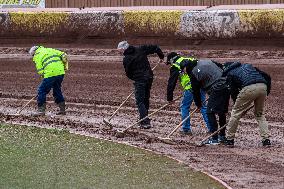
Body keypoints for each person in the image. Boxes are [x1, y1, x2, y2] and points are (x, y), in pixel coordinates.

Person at [222, 61, 271, 147]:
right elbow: (267, 76)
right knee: (260, 114)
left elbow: (233, 92)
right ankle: (266, 140)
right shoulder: (248, 66)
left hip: (248, 88)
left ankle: (229, 140)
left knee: (235, 114)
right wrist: (267, 92)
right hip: (263, 86)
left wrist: (238, 107)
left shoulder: (230, 74)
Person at [117, 41, 164, 129]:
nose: (120, 52)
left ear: (124, 49)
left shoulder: (127, 58)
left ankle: (145, 122)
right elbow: (156, 47)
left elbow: (128, 73)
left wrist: (136, 80)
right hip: (149, 77)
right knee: (145, 99)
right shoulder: (140, 49)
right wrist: (161, 56)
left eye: (120, 51)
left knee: (140, 101)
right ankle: (144, 119)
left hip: (140, 80)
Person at [184, 58, 230, 145]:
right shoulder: (206, 61)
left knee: (210, 112)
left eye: (183, 70)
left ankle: (214, 138)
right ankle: (222, 136)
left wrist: (198, 104)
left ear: (186, 67)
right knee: (221, 112)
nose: (184, 72)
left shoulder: (193, 73)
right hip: (227, 85)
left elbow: (195, 91)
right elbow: (221, 66)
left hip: (217, 88)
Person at [166, 52, 210, 135]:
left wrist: (170, 98)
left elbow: (171, 83)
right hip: (201, 84)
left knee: (185, 107)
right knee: (203, 107)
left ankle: (186, 129)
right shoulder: (190, 59)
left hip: (190, 88)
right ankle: (211, 128)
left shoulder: (175, 66)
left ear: (171, 60)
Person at [29, 45, 68, 116]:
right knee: (57, 90)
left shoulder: (37, 55)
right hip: (61, 72)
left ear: (34, 53)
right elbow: (64, 55)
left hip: (50, 74)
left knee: (41, 90)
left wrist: (45, 78)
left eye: (32, 55)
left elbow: (40, 71)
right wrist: (65, 67)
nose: (33, 57)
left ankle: (41, 111)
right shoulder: (50, 49)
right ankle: (62, 110)